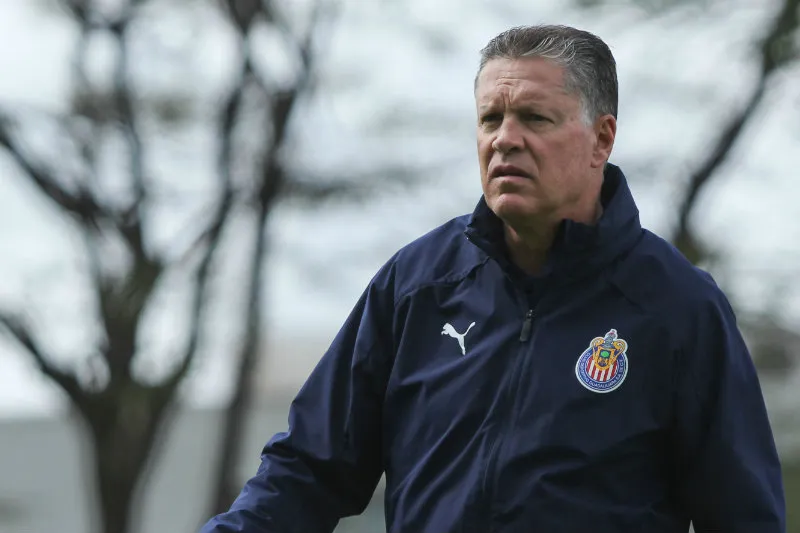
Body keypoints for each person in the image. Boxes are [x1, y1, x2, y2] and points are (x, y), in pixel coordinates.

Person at [199, 24, 785, 533]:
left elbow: (742, 517)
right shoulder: (417, 285)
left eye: (534, 118)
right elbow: (309, 468)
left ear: (601, 140)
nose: (505, 139)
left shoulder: (678, 307)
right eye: (490, 118)